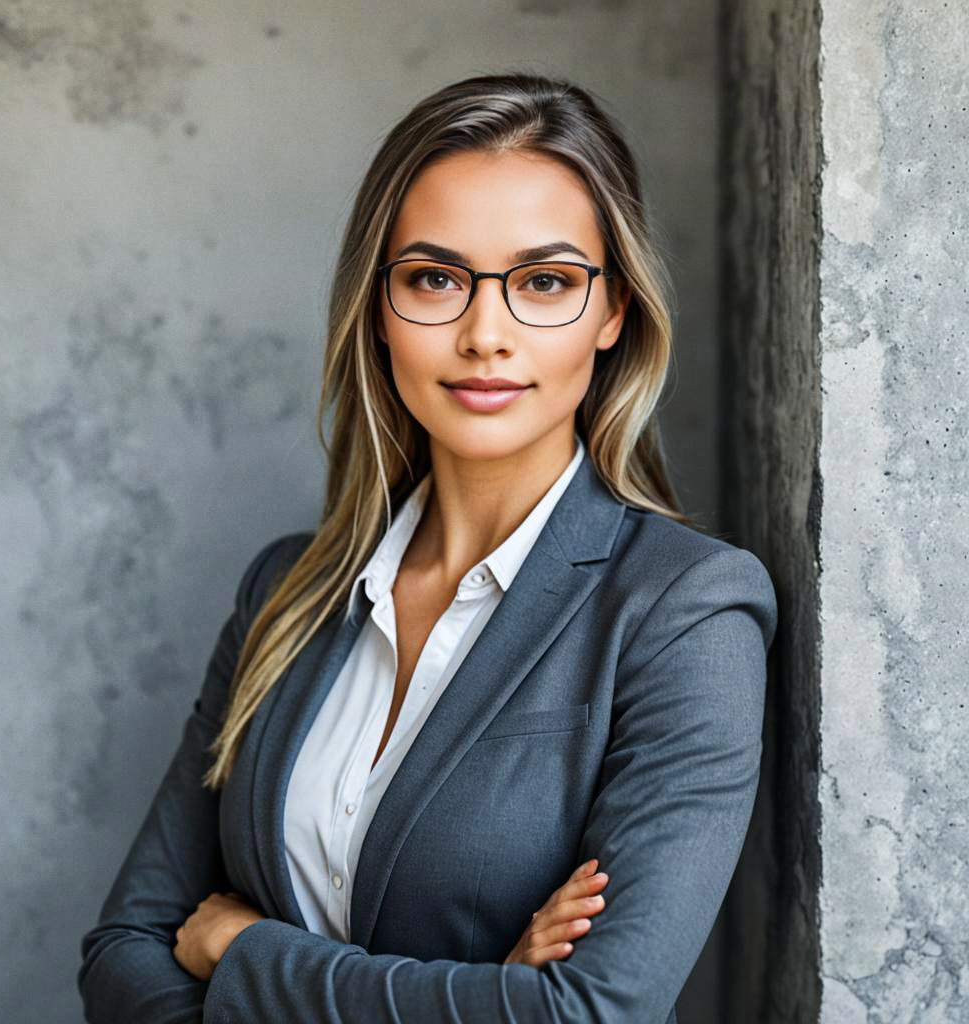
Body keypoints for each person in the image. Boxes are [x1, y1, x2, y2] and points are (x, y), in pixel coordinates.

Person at [78, 72, 777, 1024]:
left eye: (545, 282)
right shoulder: (288, 591)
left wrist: (244, 952)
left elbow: (589, 1014)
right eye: (435, 278)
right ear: (379, 306)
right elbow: (122, 958)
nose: (485, 334)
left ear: (615, 313)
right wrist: (483, 991)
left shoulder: (686, 611)